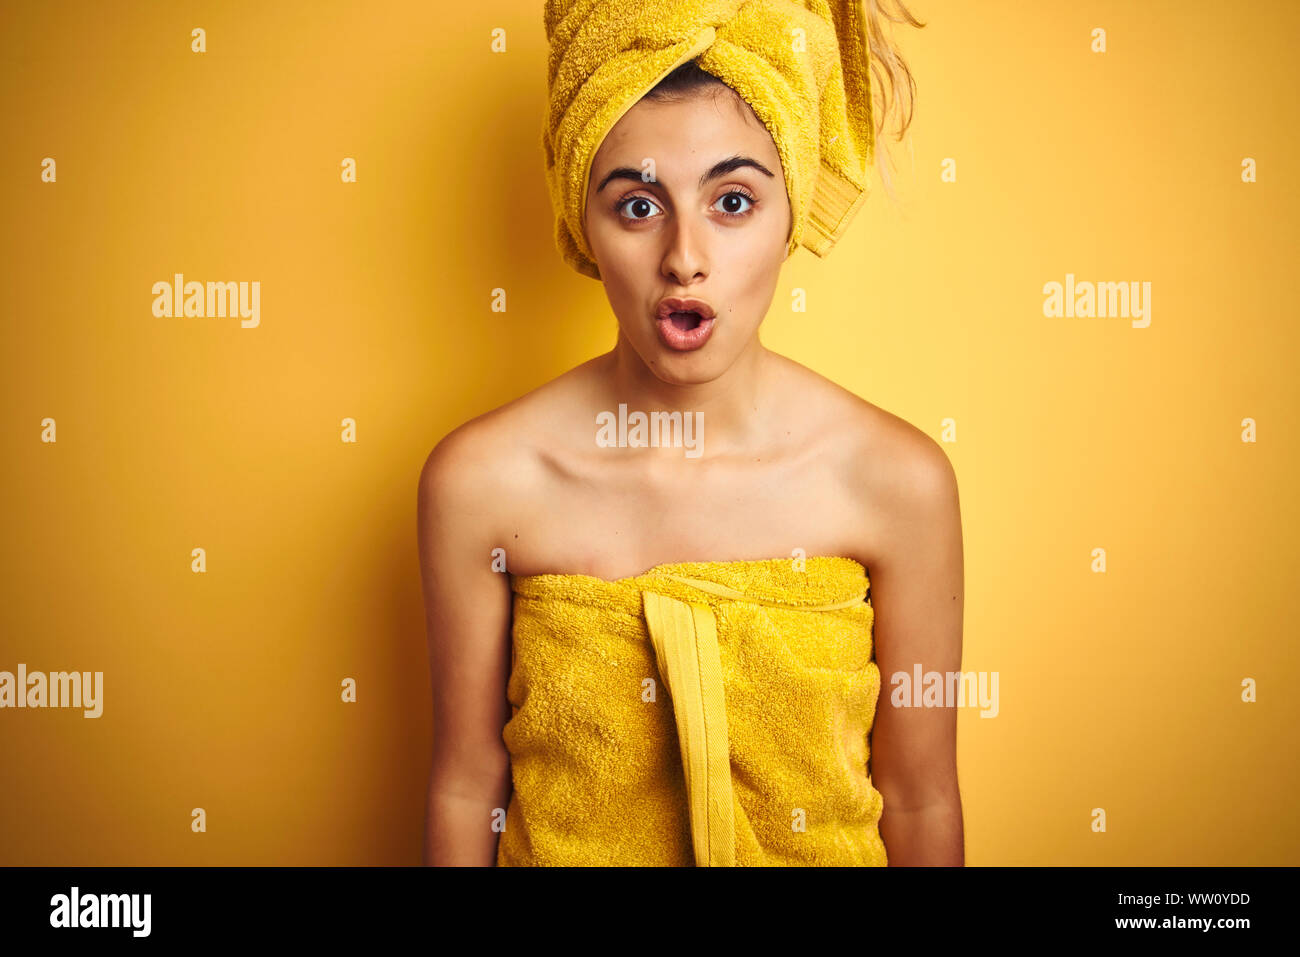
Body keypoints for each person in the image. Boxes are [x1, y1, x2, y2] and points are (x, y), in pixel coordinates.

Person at [419, 0, 962, 865]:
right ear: (582, 224)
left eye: (734, 200)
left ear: (791, 216)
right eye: (638, 206)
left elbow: (924, 802)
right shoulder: (483, 483)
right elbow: (463, 785)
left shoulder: (897, 481)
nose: (685, 257)